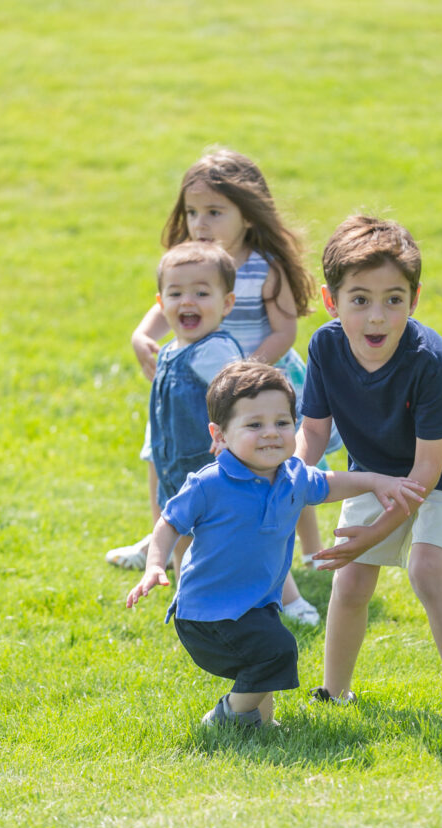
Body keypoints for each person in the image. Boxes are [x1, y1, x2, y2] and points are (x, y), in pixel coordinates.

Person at [109, 148, 341, 624]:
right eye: (193, 212)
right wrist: (141, 337)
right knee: (166, 458)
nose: (201, 222)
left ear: (247, 214)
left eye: (214, 212)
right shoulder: (188, 262)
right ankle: (158, 538)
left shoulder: (263, 266)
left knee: (283, 472)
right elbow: (163, 304)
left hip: (259, 386)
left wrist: (243, 377)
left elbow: (284, 332)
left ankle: (311, 551)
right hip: (194, 389)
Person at [126, 361, 425, 727]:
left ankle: (259, 725)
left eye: (282, 423)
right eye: (254, 425)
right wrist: (155, 564)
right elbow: (168, 523)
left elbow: (332, 483)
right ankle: (226, 717)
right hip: (207, 613)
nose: (271, 433)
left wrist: (377, 482)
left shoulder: (293, 477)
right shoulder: (210, 483)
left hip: (255, 605)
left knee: (266, 654)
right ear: (219, 435)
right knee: (278, 651)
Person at [296, 215, 442, 717]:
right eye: (360, 300)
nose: (377, 317)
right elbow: (315, 432)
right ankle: (334, 691)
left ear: (415, 298)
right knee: (351, 579)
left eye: (394, 299)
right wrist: (289, 479)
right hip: (376, 465)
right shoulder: (324, 346)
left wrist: (375, 532)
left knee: (427, 566)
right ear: (331, 300)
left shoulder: (431, 361)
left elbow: (427, 472)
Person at [143, 241, 243, 575]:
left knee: (240, 540)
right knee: (182, 536)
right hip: (176, 470)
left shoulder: (215, 351)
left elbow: (241, 397)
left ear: (226, 303)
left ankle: (288, 598)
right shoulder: (171, 350)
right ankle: (188, 604)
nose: (187, 301)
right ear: (161, 303)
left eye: (201, 293)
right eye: (175, 294)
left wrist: (231, 436)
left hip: (214, 471)